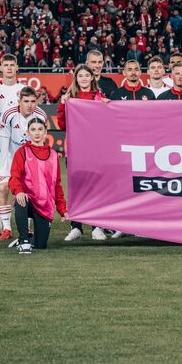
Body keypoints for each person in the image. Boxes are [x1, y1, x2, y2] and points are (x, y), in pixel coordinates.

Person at [58, 64, 106, 242]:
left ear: (93, 78)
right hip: (75, 151)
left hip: (94, 151)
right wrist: (62, 105)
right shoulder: (70, 98)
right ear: (76, 79)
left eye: (87, 75)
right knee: (76, 189)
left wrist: (106, 105)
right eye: (81, 76)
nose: (84, 78)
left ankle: (96, 226)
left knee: (95, 189)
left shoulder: (99, 97)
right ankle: (76, 226)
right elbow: (63, 125)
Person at [0, 86, 47, 241]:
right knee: (3, 187)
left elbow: (40, 143)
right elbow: (3, 143)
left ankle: (28, 228)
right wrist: (1, 168)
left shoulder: (41, 116)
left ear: (37, 102)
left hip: (30, 160)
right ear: (20, 101)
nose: (29, 105)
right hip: (11, 157)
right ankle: (6, 229)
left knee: (31, 192)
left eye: (33, 101)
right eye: (26, 101)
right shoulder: (9, 114)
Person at [9, 118, 66, 254]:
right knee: (20, 200)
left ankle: (30, 239)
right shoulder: (22, 152)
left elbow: (56, 184)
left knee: (41, 245)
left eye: (40, 129)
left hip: (45, 205)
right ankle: (23, 241)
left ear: (45, 132)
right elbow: (14, 177)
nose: (37, 133)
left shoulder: (53, 155)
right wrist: (18, 192)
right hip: (28, 200)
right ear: (28, 132)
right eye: (33, 130)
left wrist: (62, 210)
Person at [0, 54, 27, 236]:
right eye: (6, 65)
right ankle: (2, 226)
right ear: (1, 68)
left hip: (21, 144)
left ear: (17, 67)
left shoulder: (25, 89)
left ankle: (25, 227)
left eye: (12, 65)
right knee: (0, 186)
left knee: (25, 185)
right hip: (1, 144)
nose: (9, 68)